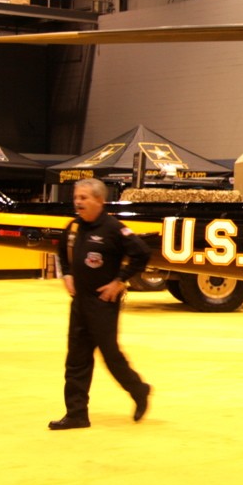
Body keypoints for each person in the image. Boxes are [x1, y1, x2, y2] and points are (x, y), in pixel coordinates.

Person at [49, 178, 152, 430]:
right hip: (79, 303)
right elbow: (62, 253)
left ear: (99, 201)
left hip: (103, 304)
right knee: (76, 359)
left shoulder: (114, 229)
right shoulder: (73, 228)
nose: (78, 202)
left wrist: (120, 281)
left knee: (110, 356)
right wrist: (68, 275)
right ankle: (76, 414)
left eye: (84, 198)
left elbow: (142, 254)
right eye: (76, 197)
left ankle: (138, 389)